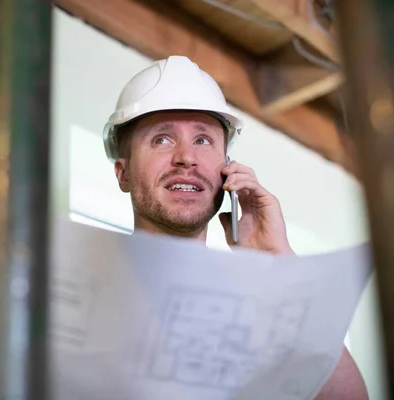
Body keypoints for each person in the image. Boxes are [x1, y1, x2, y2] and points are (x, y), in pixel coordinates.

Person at [102, 55, 368, 399]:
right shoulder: (82, 290)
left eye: (203, 140)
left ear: (227, 170)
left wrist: (278, 265)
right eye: (161, 139)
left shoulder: (261, 310)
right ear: (123, 173)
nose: (187, 157)